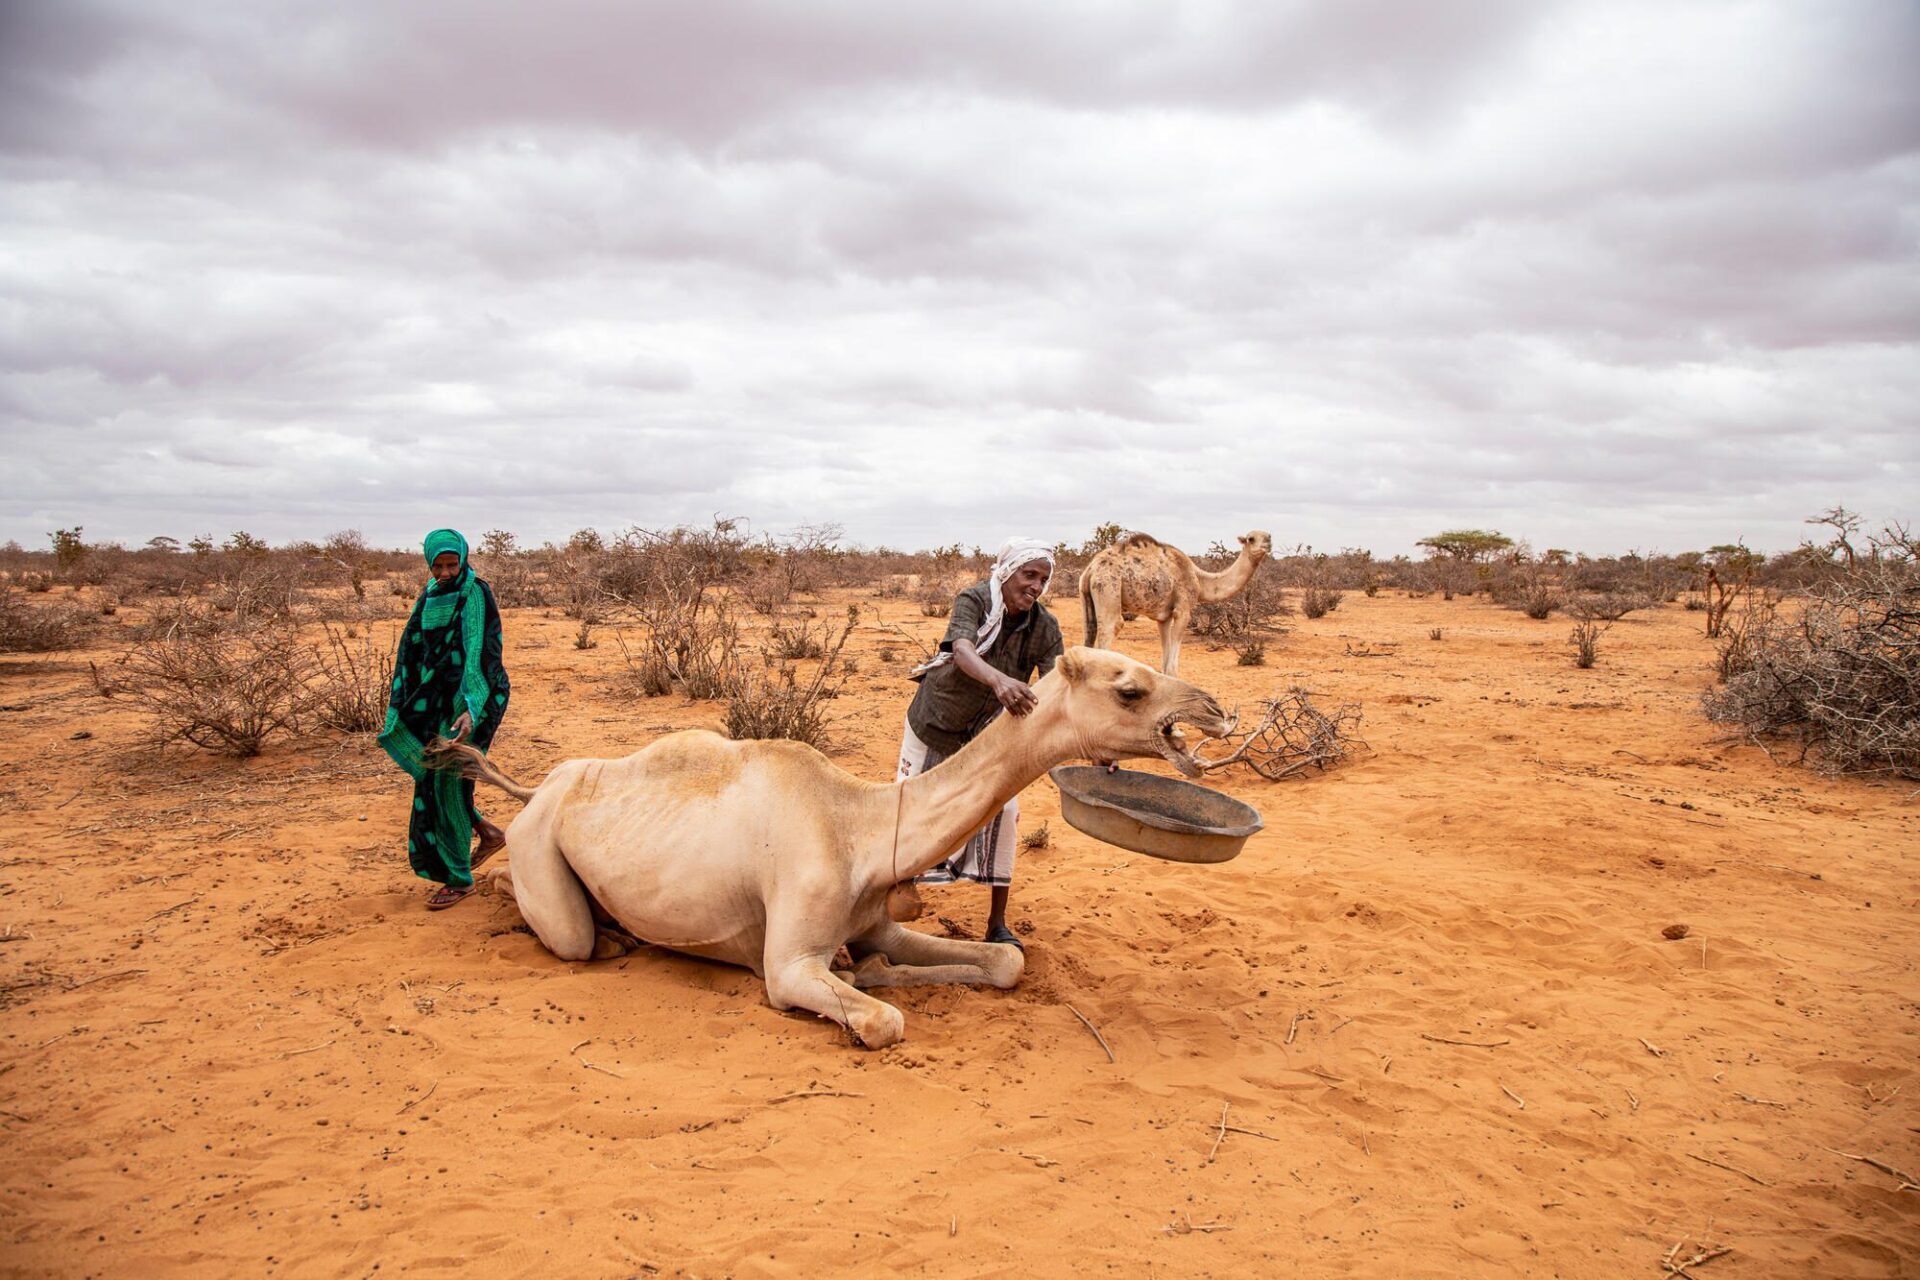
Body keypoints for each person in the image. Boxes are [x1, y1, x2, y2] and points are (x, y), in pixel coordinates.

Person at [895, 537, 1063, 948]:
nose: (1036, 586)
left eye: (1043, 579)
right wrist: (999, 679)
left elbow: (1059, 687)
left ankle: (997, 923)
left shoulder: (1046, 627)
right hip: (934, 721)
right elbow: (963, 650)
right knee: (906, 810)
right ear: (1006, 573)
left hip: (988, 737)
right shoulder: (974, 600)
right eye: (1029, 575)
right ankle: (891, 892)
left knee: (1004, 812)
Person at [379, 528, 511, 910]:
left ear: (464, 560)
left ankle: (458, 878)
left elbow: (479, 652)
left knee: (449, 781)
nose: (446, 572)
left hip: (478, 698)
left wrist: (470, 706)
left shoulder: (475, 593)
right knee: (433, 775)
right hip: (435, 699)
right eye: (438, 565)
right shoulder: (430, 595)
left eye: (452, 564)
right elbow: (413, 647)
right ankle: (487, 832)